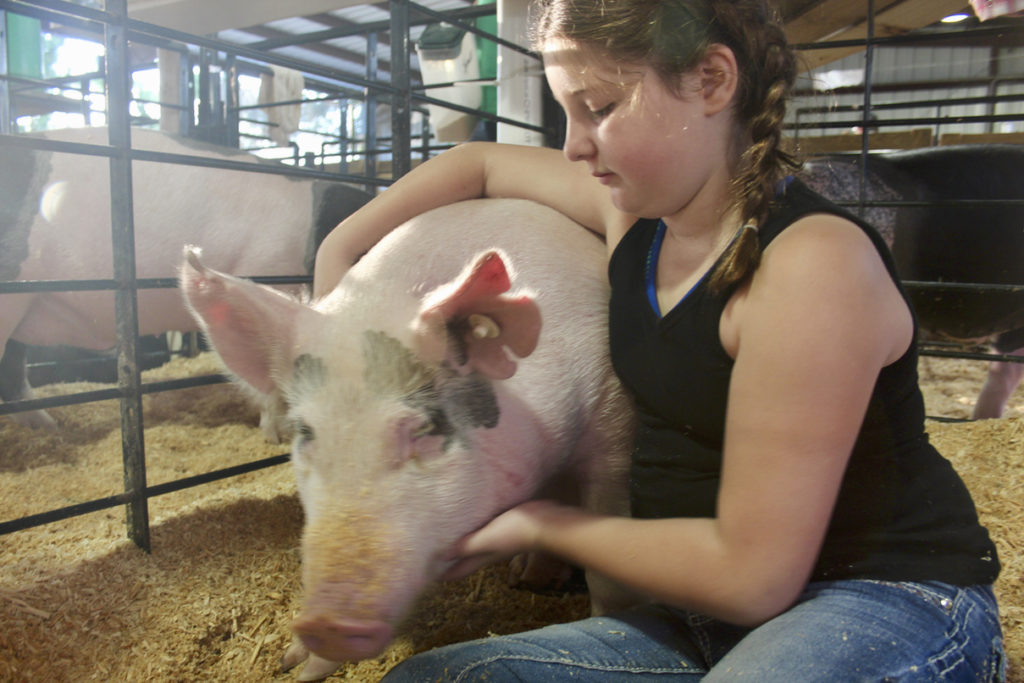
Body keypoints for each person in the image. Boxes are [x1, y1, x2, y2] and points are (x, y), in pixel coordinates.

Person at [313, 1, 1005, 680]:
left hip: (879, 598)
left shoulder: (810, 264)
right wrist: (339, 247)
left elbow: (754, 576)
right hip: (699, 612)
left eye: (600, 108)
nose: (573, 145)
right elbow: (481, 163)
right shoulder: (637, 226)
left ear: (711, 80)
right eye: (566, 112)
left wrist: (543, 524)